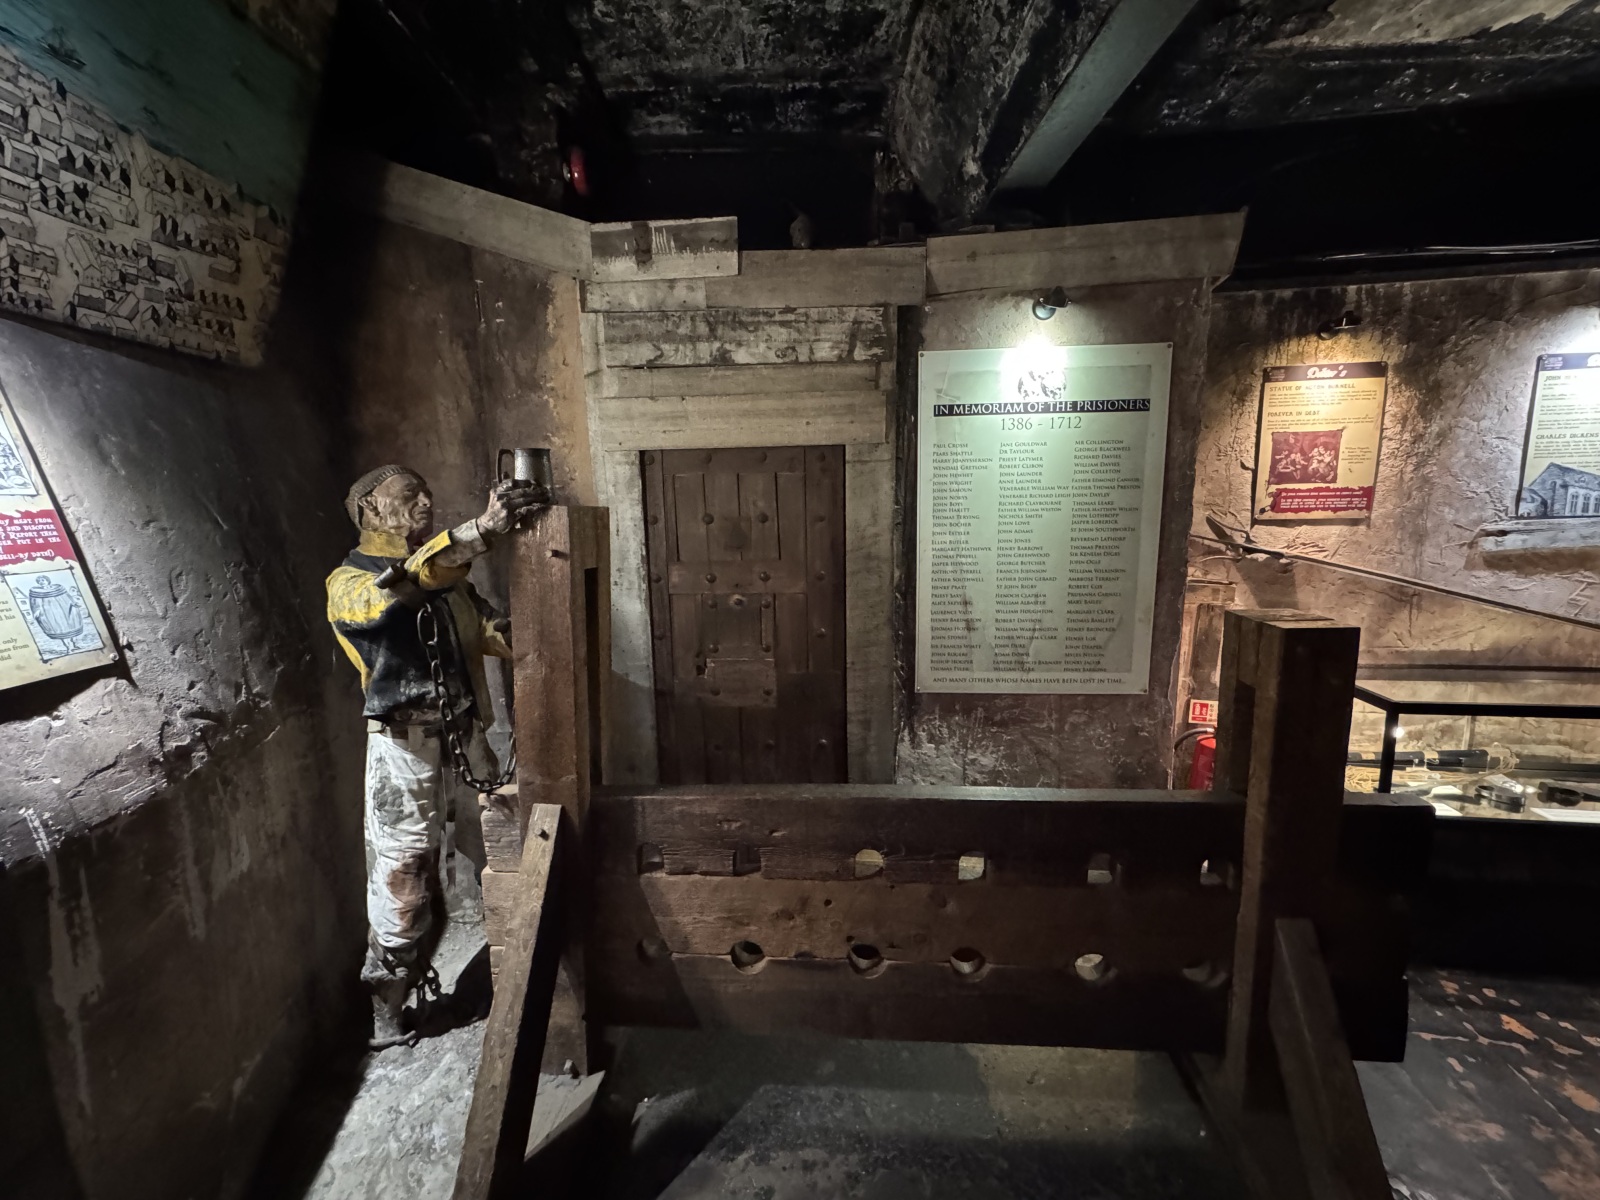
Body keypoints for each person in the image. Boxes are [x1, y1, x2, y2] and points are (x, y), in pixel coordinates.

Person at [327, 464, 542, 1048]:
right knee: (402, 877)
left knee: (507, 843)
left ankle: (529, 967)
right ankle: (387, 1008)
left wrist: (539, 631)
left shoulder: (447, 577)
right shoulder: (348, 582)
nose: (425, 500)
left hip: (464, 733)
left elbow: (488, 630)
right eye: (409, 494)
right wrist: (482, 530)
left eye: (426, 492)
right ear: (371, 507)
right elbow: (389, 601)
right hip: (403, 747)